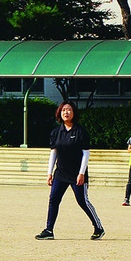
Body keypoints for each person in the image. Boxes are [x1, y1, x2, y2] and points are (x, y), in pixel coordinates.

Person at [35, 101, 105, 241]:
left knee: (82, 201)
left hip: (76, 173)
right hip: (60, 172)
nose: (66, 112)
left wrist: (81, 173)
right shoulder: (56, 132)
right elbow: (53, 153)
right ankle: (49, 230)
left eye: (69, 110)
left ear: (74, 113)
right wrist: (49, 173)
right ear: (60, 113)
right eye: (63, 110)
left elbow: (86, 153)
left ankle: (98, 228)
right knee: (53, 199)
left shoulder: (80, 131)